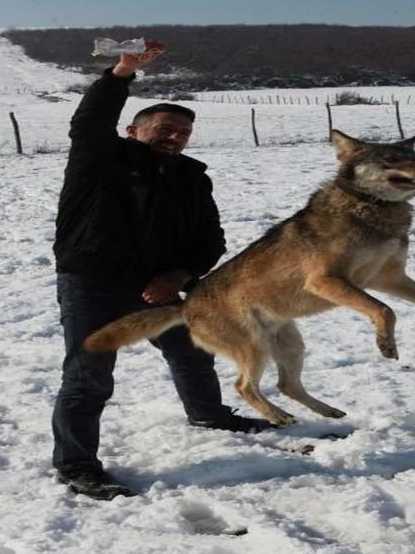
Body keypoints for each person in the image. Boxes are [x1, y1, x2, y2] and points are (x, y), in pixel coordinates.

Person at [50, 42, 272, 501]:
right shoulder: (100, 160)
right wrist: (122, 72)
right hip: (94, 285)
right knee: (88, 377)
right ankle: (76, 464)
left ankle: (209, 414)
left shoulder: (192, 177)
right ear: (133, 130)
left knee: (193, 352)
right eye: (165, 128)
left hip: (162, 288)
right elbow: (89, 122)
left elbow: (210, 240)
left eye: (184, 132)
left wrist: (181, 275)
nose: (175, 137)